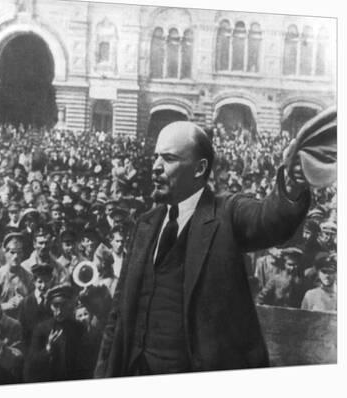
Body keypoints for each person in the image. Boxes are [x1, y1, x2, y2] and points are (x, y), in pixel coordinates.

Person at [95, 121, 310, 377]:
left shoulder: (227, 214)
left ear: (199, 168)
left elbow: (269, 218)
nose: (155, 167)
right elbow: (118, 312)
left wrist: (292, 182)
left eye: (169, 158)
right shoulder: (145, 224)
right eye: (156, 157)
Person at [24, 284, 87, 382]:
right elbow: (31, 364)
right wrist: (48, 349)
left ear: (70, 305)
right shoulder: (41, 329)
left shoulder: (79, 328)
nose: (59, 311)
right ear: (50, 306)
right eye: (55, 306)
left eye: (63, 305)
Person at [0, 233, 34, 319]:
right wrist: (6, 305)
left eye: (19, 252)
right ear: (5, 252)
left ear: (23, 254)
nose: (16, 256)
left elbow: (33, 305)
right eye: (12, 252)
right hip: (0, 321)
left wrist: (24, 302)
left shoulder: (29, 277)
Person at [18, 263, 54, 349]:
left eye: (46, 281)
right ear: (34, 282)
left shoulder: (55, 301)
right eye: (40, 281)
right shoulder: (25, 303)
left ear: (51, 281)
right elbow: (22, 332)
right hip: (32, 349)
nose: (43, 285)